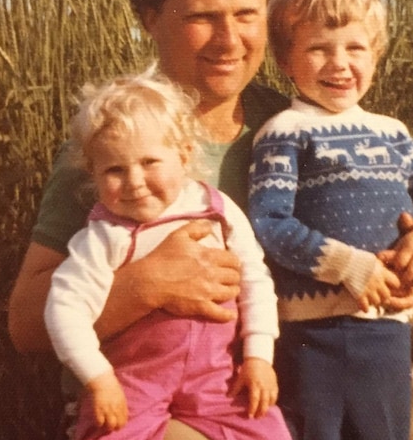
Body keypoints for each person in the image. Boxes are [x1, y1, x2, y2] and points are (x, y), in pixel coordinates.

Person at [7, 0, 413, 440]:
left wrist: (410, 255)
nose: (230, 40)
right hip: (160, 402)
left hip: (288, 368)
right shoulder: (118, 147)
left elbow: (395, 221)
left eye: (247, 15)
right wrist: (144, 286)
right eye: (203, 17)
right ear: (150, 18)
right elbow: (24, 322)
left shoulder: (296, 126)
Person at [248, 0, 413, 439]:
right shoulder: (285, 132)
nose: (339, 63)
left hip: (386, 324)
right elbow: (269, 222)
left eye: (355, 48)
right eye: (318, 49)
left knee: (386, 429)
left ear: (376, 55)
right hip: (314, 331)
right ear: (286, 61)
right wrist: (349, 266)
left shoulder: (393, 133)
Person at [44, 72, 290, 439]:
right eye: (114, 169)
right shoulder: (103, 236)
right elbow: (63, 310)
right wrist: (98, 378)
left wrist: (258, 356)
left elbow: (254, 280)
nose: (134, 181)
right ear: (92, 173)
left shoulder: (216, 210)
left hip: (217, 379)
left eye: (149, 162)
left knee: (267, 430)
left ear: (184, 154)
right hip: (133, 382)